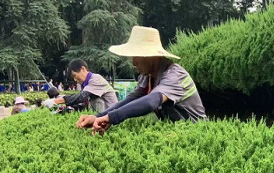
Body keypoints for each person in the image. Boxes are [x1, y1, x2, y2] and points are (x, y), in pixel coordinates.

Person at [77, 26, 206, 135]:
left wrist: (112, 118)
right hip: (177, 132)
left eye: (137, 56)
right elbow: (130, 100)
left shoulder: (175, 75)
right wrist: (99, 116)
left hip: (197, 133)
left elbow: (151, 102)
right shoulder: (147, 76)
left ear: (152, 56)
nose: (133, 62)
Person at [43, 59, 118, 113]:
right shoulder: (87, 84)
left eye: (75, 75)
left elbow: (82, 97)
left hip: (111, 114)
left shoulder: (96, 79)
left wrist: (55, 101)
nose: (75, 80)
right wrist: (72, 108)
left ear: (83, 69)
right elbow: (85, 103)